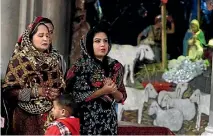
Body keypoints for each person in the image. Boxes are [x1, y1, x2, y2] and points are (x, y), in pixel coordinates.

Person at [2, 17, 65, 135]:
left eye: (47, 35)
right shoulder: (19, 60)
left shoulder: (54, 59)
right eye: (40, 36)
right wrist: (36, 92)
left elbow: (60, 86)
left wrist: (56, 93)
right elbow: (9, 92)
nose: (46, 38)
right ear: (31, 38)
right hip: (26, 117)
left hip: (51, 115)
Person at [66, 23, 127, 135]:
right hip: (84, 120)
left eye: (105, 41)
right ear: (89, 44)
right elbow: (76, 96)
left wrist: (113, 91)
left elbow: (121, 97)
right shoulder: (80, 67)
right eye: (97, 41)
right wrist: (103, 91)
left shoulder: (116, 66)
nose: (102, 45)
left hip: (108, 122)